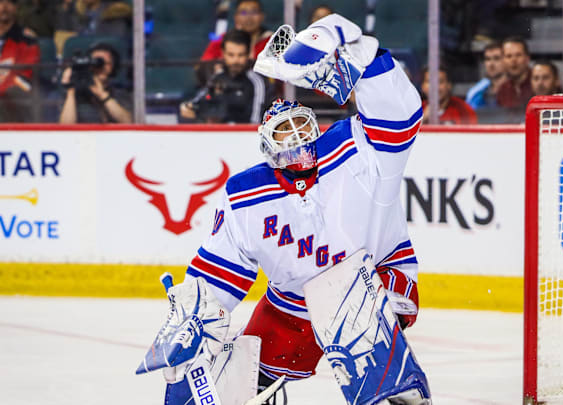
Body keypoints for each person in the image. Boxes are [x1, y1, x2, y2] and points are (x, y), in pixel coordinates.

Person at [150, 14, 427, 405]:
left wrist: (367, 61)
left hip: (373, 285)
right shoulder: (246, 195)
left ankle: (395, 395)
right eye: (284, 136)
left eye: (301, 129)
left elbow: (400, 116)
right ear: (267, 149)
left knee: (378, 375)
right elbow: (221, 272)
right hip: (289, 308)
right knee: (221, 383)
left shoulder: (358, 151)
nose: (296, 141)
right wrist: (194, 318)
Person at [181, 30, 268, 124]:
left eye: (241, 55)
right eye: (231, 55)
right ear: (223, 54)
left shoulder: (257, 81)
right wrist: (188, 107)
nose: (236, 60)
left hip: (245, 135)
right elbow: (197, 101)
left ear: (249, 54)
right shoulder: (217, 76)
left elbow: (255, 123)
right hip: (217, 134)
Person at [59, 42, 132, 123]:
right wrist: (70, 91)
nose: (100, 67)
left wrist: (102, 94)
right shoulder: (75, 95)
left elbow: (129, 123)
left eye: (104, 63)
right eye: (95, 62)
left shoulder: (120, 94)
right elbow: (65, 128)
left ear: (113, 66)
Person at [0, 0, 40, 123]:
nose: (4, 7)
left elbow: (24, 77)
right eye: (0, 2)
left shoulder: (27, 39)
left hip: (15, 96)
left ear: (16, 7)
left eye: (9, 2)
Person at [200, 0, 272, 63]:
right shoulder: (222, 39)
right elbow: (202, 67)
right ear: (235, 17)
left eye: (254, 12)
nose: (249, 17)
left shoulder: (273, 41)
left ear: (262, 16)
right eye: (243, 12)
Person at [465, 41, 505, 109]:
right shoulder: (475, 93)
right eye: (488, 59)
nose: (491, 64)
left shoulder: (516, 88)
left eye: (496, 58)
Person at [496, 36, 532, 109]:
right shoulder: (502, 90)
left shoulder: (539, 82)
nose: (513, 60)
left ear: (527, 58)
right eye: (509, 56)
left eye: (518, 55)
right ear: (503, 60)